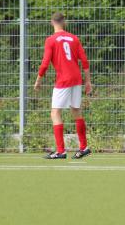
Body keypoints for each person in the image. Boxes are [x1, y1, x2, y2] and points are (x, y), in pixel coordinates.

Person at [34, 12, 92, 159]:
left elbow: (45, 63)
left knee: (55, 113)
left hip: (63, 80)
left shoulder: (51, 40)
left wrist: (38, 80)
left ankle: (61, 151)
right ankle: (84, 147)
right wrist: (88, 81)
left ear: (51, 22)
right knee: (76, 111)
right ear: (64, 22)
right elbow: (84, 61)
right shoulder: (74, 38)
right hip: (77, 79)